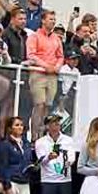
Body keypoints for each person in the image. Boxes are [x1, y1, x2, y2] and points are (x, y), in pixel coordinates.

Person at [25, 8, 63, 139]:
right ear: (43, 20)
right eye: (50, 19)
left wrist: (57, 66)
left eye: (54, 19)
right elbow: (31, 55)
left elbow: (60, 56)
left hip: (52, 75)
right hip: (38, 73)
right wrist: (46, 66)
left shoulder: (56, 38)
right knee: (39, 104)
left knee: (48, 105)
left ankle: (42, 134)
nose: (53, 22)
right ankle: (35, 136)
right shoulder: (34, 36)